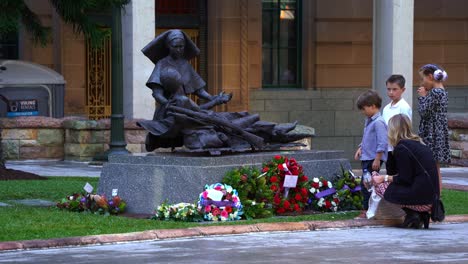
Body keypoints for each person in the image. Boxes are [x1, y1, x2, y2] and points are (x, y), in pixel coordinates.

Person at [140, 29, 231, 151]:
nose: (179, 50)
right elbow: (157, 93)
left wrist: (214, 98)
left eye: (181, 47)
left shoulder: (185, 64)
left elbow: (199, 90)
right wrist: (167, 103)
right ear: (168, 46)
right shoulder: (162, 64)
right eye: (175, 47)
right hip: (170, 108)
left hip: (185, 107)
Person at [372, 114, 439, 229]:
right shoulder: (419, 144)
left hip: (422, 199)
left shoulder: (402, 148)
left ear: (392, 130)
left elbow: (404, 179)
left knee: (380, 185)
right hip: (432, 198)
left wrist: (383, 178)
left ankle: (413, 213)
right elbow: (399, 172)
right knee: (390, 183)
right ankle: (420, 215)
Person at [354, 90, 388, 218]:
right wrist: (360, 148)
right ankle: (370, 209)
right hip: (367, 156)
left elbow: (382, 142)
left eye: (364, 109)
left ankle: (367, 210)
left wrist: (377, 159)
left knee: (367, 185)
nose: (362, 112)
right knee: (366, 184)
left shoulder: (378, 122)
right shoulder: (369, 120)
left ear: (373, 106)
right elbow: (366, 138)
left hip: (373, 159)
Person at [417, 64, 450, 194]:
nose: (422, 82)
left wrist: (423, 96)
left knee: (432, 166)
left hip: (432, 133)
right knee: (435, 167)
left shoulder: (435, 92)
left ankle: (435, 195)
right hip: (437, 131)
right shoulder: (442, 91)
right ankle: (437, 194)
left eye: (423, 78)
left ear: (430, 77)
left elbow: (424, 112)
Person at [382, 74, 412, 176]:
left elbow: (406, 129)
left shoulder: (404, 107)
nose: (391, 92)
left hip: (399, 148)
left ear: (403, 90)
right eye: (389, 89)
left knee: (399, 175)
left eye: (395, 89)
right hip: (388, 148)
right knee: (390, 173)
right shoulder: (386, 108)